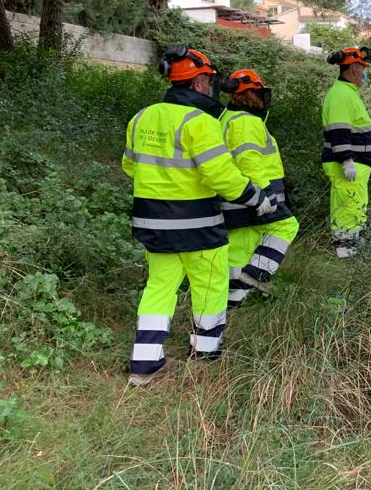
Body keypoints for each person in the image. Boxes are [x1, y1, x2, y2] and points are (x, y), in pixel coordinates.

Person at [122, 47, 276, 387]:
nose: (210, 87)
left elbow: (130, 165)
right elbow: (221, 177)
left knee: (159, 287)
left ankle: (144, 364)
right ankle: (205, 353)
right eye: (208, 80)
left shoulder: (142, 116)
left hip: (152, 224)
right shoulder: (201, 122)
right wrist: (256, 199)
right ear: (200, 81)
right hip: (198, 225)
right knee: (210, 284)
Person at [219, 69, 299, 307]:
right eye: (260, 92)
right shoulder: (246, 121)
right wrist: (264, 193)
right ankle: (255, 276)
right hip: (255, 195)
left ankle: (230, 302)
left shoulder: (227, 117)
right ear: (250, 94)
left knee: (240, 249)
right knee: (287, 225)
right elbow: (249, 160)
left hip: (233, 196)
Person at [321, 47, 371, 257]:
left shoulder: (347, 93)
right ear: (355, 69)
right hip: (350, 164)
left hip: (356, 163)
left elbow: (352, 128)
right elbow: (339, 131)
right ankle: (346, 253)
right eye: (364, 68)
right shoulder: (341, 94)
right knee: (347, 207)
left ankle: (353, 248)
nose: (365, 73)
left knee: (353, 206)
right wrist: (346, 160)